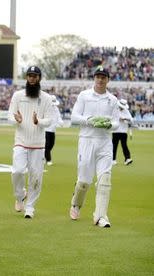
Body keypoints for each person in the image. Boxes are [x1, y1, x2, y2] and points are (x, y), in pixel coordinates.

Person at [69, 67, 119, 228]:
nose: (100, 80)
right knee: (84, 181)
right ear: (94, 78)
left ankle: (100, 216)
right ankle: (76, 204)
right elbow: (74, 117)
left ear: (108, 80)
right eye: (98, 76)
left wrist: (108, 124)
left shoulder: (112, 100)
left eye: (103, 77)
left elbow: (117, 122)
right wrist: (90, 120)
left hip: (104, 142)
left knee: (105, 179)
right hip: (86, 140)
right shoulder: (84, 95)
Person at [8, 66, 52, 219]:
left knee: (36, 176)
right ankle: (20, 196)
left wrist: (38, 121)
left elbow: (49, 120)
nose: (32, 79)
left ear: (39, 78)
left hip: (38, 143)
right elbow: (9, 116)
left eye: (35, 76)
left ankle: (30, 206)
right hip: (20, 141)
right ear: (26, 78)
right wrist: (16, 119)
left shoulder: (46, 98)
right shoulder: (18, 95)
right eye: (30, 76)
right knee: (17, 171)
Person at [112, 99, 133, 165]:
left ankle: (127, 159)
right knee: (114, 146)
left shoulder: (126, 111)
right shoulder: (114, 110)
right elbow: (111, 118)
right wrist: (118, 119)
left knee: (124, 145)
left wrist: (124, 119)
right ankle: (113, 160)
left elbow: (131, 120)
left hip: (123, 131)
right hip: (115, 130)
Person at [44, 95, 64, 166]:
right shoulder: (45, 108)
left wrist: (60, 121)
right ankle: (48, 160)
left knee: (51, 144)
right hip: (46, 129)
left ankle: (44, 156)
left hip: (53, 129)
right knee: (47, 145)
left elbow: (58, 116)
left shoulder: (56, 108)